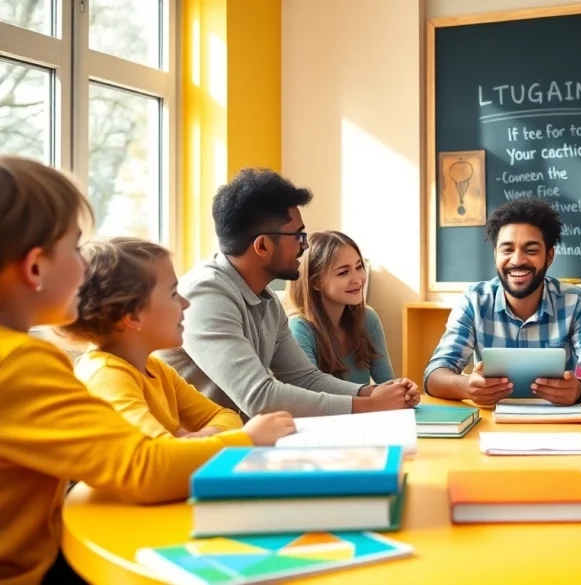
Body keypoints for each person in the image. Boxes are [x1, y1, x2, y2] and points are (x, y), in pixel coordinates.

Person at [0, 155, 295, 584]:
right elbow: (144, 467)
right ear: (34, 268)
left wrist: (194, 440)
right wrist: (246, 438)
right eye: (74, 247)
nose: (84, 267)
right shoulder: (22, 363)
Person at [156, 169, 419, 419]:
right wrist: (367, 406)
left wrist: (373, 392)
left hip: (240, 443)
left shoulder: (266, 298)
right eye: (298, 236)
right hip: (200, 454)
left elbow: (306, 378)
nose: (304, 247)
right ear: (263, 245)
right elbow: (259, 398)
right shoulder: (205, 295)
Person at [423, 197, 581, 406]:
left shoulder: (575, 301)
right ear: (496, 254)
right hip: (491, 422)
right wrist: (467, 387)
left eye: (531, 250)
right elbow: (434, 374)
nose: (517, 260)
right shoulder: (474, 300)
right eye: (507, 250)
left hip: (558, 423)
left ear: (549, 256)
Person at [59, 238, 244, 439]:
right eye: (174, 294)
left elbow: (227, 416)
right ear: (133, 316)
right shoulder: (107, 377)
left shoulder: (157, 370)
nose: (185, 303)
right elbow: (158, 456)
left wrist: (199, 438)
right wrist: (248, 437)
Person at [286, 231, 394, 384]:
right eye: (343, 272)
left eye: (359, 267)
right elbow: (312, 393)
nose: (358, 279)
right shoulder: (299, 328)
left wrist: (402, 391)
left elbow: (386, 382)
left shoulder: (367, 318)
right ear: (315, 282)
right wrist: (372, 395)